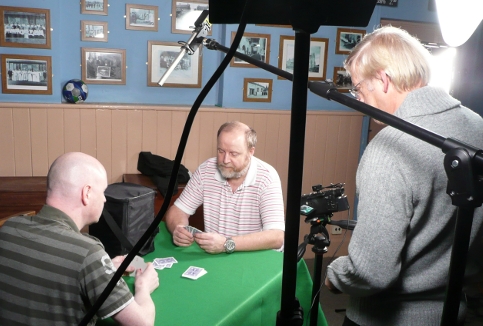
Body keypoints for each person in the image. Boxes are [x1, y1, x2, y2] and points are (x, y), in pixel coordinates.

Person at [325, 26, 483, 326]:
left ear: (383, 79)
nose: (359, 99)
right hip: (452, 311)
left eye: (358, 88)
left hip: (387, 318)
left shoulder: (388, 148)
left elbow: (370, 272)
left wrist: (336, 275)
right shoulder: (477, 126)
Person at [0, 152, 159, 326]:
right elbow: (142, 323)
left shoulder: (8, 228)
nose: (105, 199)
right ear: (87, 193)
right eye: (103, 191)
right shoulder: (88, 253)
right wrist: (143, 287)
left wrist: (99, 271)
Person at [166, 121, 285, 254]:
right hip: (215, 257)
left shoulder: (267, 177)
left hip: (255, 259)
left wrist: (227, 243)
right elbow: (177, 210)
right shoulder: (206, 170)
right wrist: (178, 228)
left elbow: (277, 236)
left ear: (250, 152)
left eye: (234, 154)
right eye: (221, 151)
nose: (225, 160)